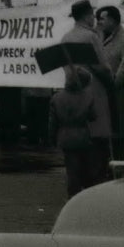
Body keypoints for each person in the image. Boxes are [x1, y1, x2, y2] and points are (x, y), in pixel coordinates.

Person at [60, 0, 113, 179]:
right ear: (88, 16)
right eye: (92, 15)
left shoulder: (66, 37)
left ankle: (78, 179)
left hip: (73, 93)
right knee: (98, 142)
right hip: (93, 92)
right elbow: (103, 67)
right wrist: (110, 81)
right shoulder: (91, 37)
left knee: (78, 145)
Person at [96, 5, 124, 162]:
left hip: (118, 95)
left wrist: (113, 84)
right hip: (101, 94)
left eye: (102, 18)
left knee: (118, 134)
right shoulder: (99, 36)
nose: (99, 21)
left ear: (113, 20)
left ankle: (117, 166)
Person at [48, 66, 99, 197]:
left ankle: (73, 195)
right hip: (83, 137)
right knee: (86, 166)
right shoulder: (87, 97)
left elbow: (53, 123)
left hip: (65, 138)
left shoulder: (57, 98)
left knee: (72, 170)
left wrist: (52, 139)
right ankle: (86, 193)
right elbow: (93, 116)